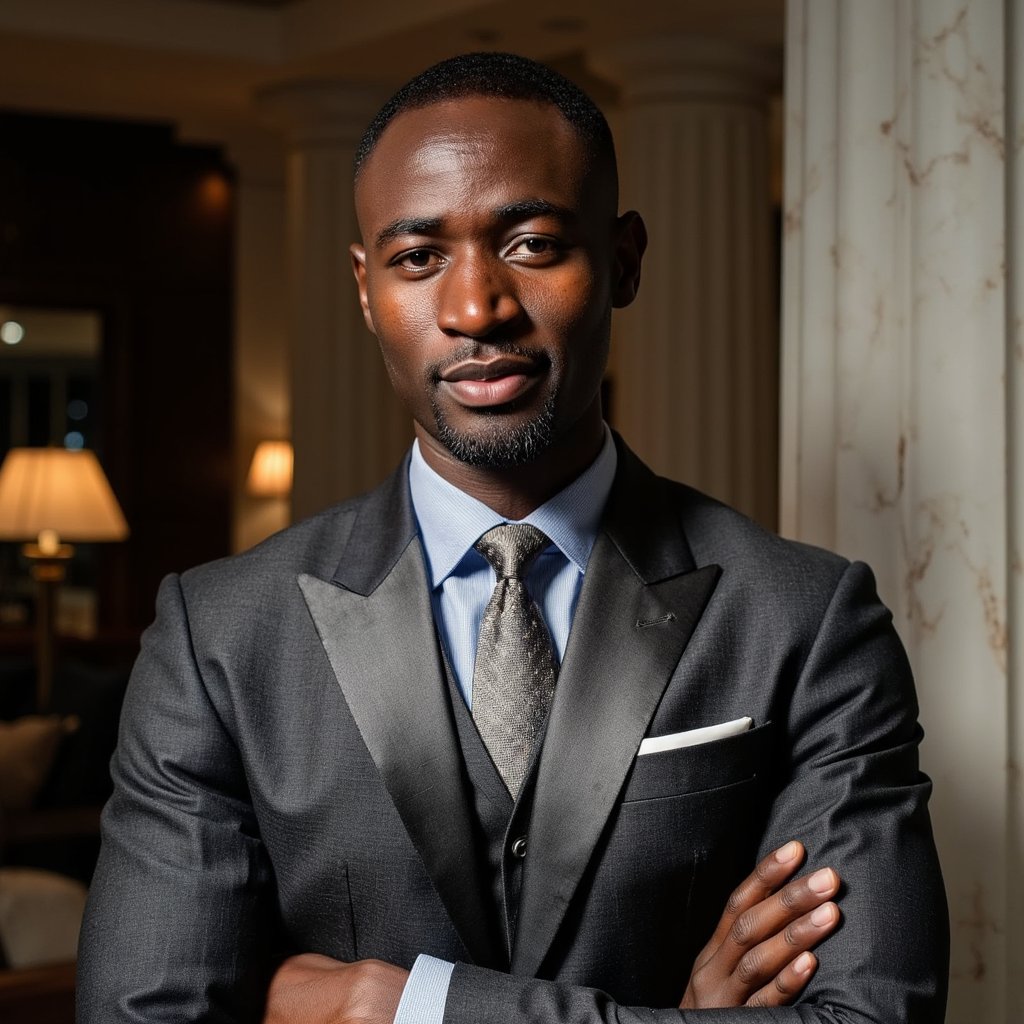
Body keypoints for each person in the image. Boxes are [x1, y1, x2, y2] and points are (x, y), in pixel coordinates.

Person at [77, 53, 948, 1023]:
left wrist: (401, 1007)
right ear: (366, 290)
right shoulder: (218, 635)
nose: (475, 309)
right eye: (418, 258)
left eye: (531, 244)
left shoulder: (808, 620)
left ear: (622, 260)